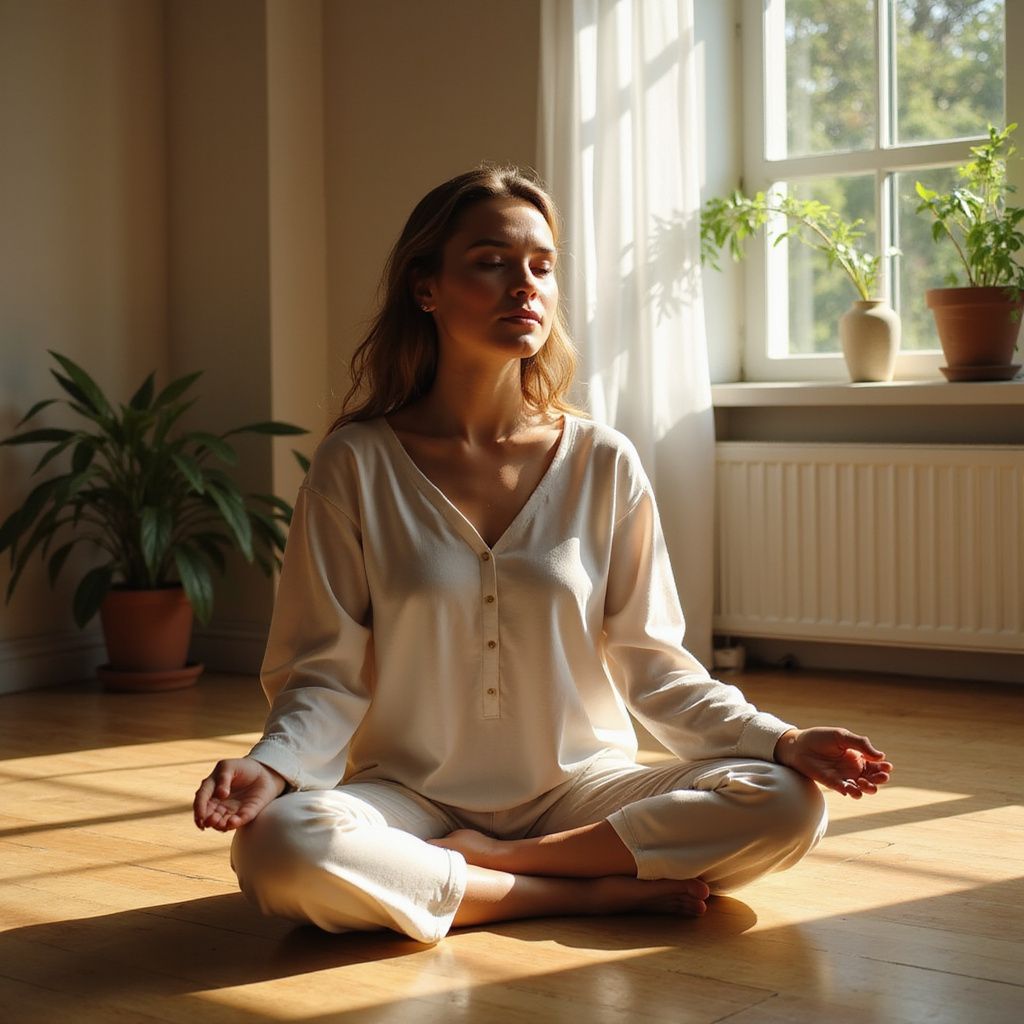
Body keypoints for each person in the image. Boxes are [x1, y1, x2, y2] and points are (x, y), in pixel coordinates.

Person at [192, 165, 893, 945]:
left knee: (790, 802)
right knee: (277, 846)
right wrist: (277, 765)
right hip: (409, 795)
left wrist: (783, 741)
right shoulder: (355, 464)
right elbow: (323, 670)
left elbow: (654, 666)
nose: (524, 285)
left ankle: (505, 865)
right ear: (426, 288)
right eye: (491, 262)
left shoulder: (604, 462)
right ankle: (573, 894)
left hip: (581, 790)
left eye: (542, 266)